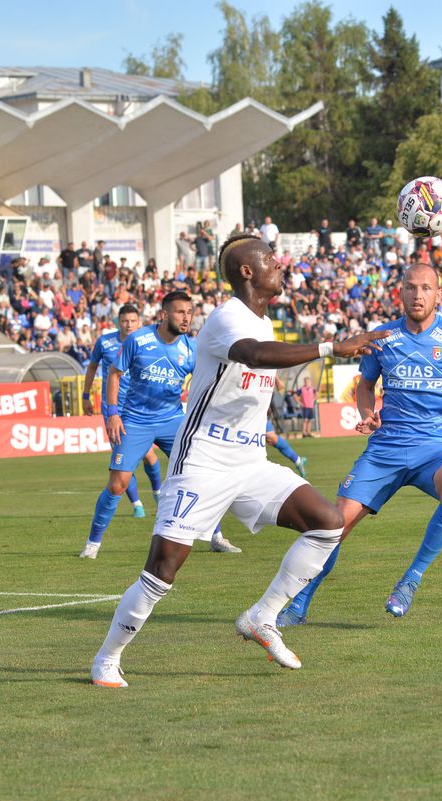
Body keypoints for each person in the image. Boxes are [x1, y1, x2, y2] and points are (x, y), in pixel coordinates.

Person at [90, 233, 389, 688]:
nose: (280, 265)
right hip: (203, 461)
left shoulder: (265, 322)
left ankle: (261, 616)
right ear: (247, 272)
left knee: (328, 523)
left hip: (249, 460)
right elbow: (252, 354)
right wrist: (332, 347)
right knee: (162, 571)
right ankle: (107, 657)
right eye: (270, 259)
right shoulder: (228, 318)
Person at [276, 262, 442, 627]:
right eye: (410, 287)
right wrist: (367, 412)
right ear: (400, 293)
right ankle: (299, 603)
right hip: (386, 449)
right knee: (333, 527)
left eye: (426, 288)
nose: (417, 295)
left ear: (439, 295)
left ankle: (411, 579)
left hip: (436, 448)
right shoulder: (381, 338)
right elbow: (365, 385)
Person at [83, 291, 240, 559]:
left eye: (189, 313)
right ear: (165, 314)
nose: (186, 318)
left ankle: (215, 535)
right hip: (135, 421)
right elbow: (114, 373)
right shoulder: (138, 339)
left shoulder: (191, 348)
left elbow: (207, 380)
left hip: (172, 421)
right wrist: (112, 413)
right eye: (180, 312)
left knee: (200, 475)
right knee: (118, 484)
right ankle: (92, 544)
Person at [80, 303, 162, 523]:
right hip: (113, 409)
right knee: (121, 457)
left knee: (147, 454)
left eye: (133, 321)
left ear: (139, 322)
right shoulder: (105, 342)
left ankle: (157, 493)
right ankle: (137, 505)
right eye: (125, 321)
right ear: (119, 322)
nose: (129, 325)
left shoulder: (148, 342)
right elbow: (92, 367)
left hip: (139, 407)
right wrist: (86, 396)